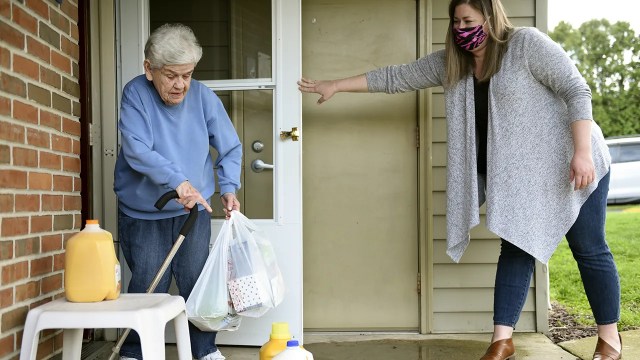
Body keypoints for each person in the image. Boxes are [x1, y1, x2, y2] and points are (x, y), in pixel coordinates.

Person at [298, 0, 622, 359]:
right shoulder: (453, 64)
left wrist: (581, 153)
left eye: (468, 20)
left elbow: (576, 90)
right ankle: (502, 341)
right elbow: (395, 77)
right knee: (516, 246)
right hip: (524, 176)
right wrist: (336, 85)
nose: (461, 28)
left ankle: (609, 340)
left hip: (574, 161)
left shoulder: (526, 44)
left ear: (489, 16)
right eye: (456, 21)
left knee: (589, 249)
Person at [114, 23, 242, 360]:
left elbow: (229, 147)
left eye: (187, 75)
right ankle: (133, 352)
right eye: (171, 75)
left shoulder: (202, 97)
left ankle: (204, 351)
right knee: (146, 283)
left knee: (196, 283)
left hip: (192, 211)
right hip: (145, 210)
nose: (181, 84)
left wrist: (228, 188)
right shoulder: (135, 94)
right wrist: (179, 181)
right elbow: (137, 150)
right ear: (148, 69)